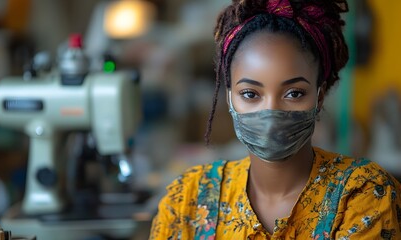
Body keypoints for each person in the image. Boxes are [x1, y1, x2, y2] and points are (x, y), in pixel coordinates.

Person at [150, 0, 401, 239]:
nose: (271, 112)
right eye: (250, 94)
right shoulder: (188, 199)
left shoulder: (362, 194)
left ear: (319, 97)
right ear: (229, 99)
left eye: (294, 93)